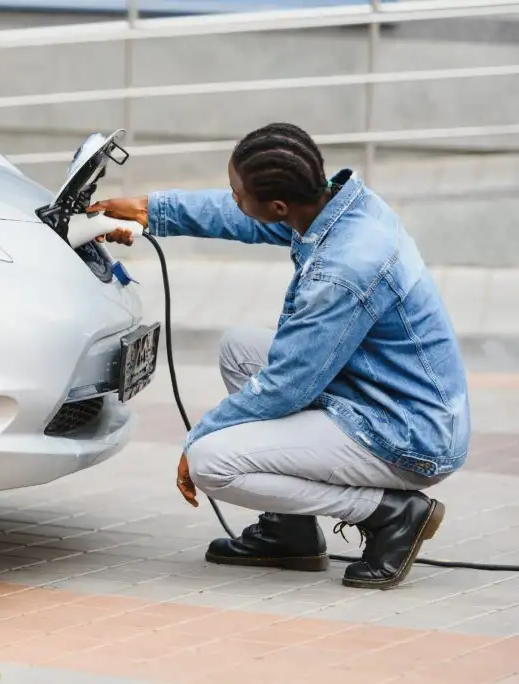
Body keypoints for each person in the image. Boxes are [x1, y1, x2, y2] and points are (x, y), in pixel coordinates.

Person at [89, 122, 469, 590]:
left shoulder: (343, 270)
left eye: (236, 191)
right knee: (241, 349)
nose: (232, 198)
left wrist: (197, 440)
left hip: (408, 437)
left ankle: (391, 513)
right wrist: (150, 210)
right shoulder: (343, 206)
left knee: (212, 462)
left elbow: (286, 387)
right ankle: (289, 529)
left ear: (279, 206)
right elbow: (244, 217)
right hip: (381, 395)